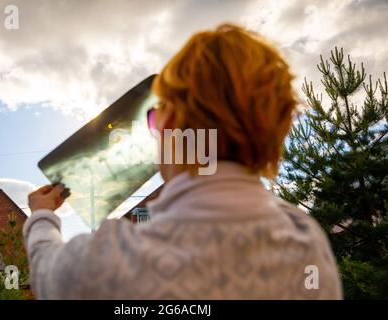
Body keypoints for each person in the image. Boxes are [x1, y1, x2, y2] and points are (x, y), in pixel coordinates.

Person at [24, 24, 342, 299]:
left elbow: (47, 273)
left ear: (170, 122)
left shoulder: (118, 257)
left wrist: (41, 216)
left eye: (153, 119)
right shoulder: (307, 242)